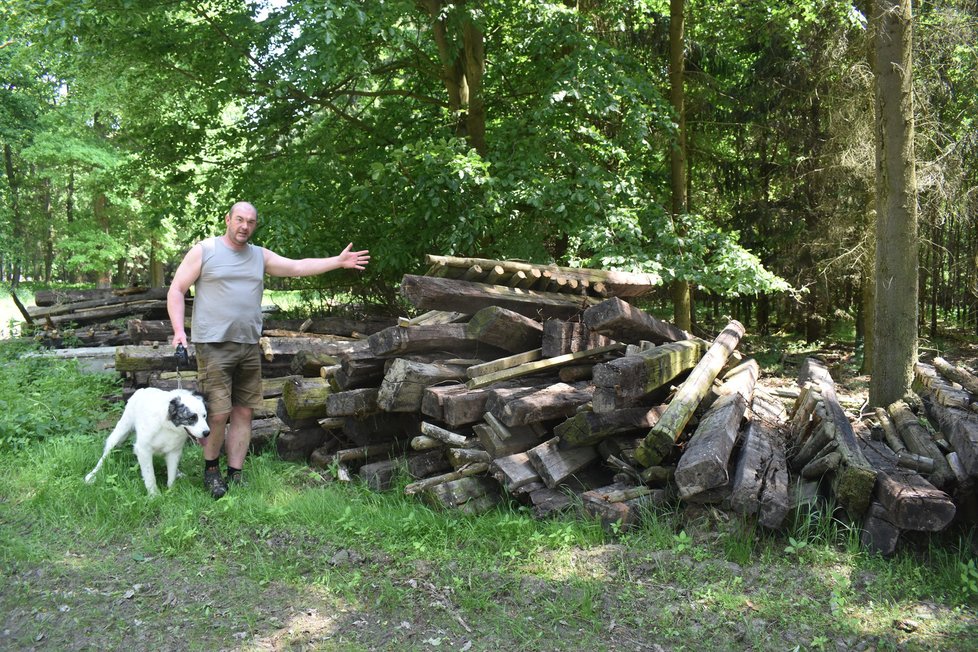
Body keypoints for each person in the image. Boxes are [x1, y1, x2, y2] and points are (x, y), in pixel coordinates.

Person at [167, 201, 369, 498]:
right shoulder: (205, 250)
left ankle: (235, 474)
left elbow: (298, 266)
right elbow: (176, 289)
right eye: (239, 219)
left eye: (250, 221)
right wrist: (179, 332)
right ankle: (211, 471)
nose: (244, 226)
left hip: (248, 345)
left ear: (254, 225)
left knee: (244, 412)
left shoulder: (259, 256)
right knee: (218, 414)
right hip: (213, 345)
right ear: (228, 220)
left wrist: (336, 261)